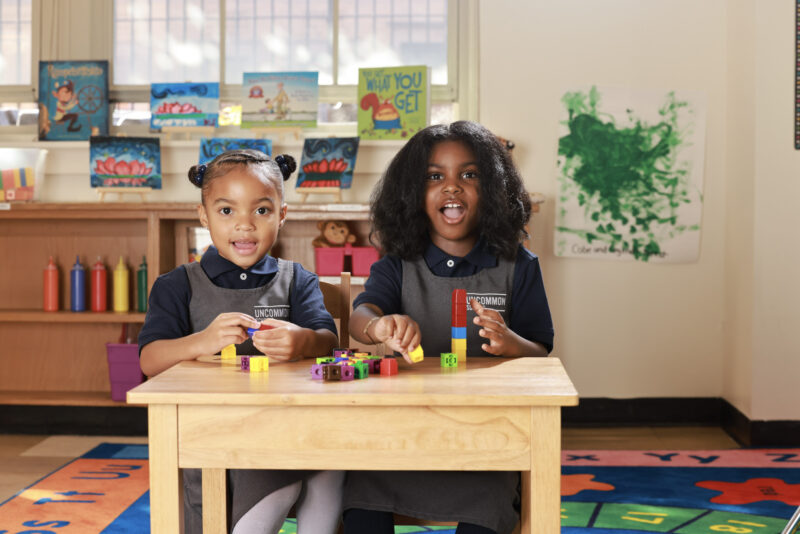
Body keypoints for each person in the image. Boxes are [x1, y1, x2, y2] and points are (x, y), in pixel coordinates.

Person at [343, 121, 554, 534]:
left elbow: (541, 351)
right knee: (359, 495)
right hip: (401, 439)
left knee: (491, 506)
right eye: (435, 177)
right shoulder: (398, 264)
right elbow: (359, 318)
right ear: (412, 194)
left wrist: (513, 344)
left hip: (486, 443)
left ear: (492, 191)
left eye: (469, 175)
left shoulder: (519, 266)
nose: (452, 187)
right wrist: (379, 326)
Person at [138, 149, 343, 534]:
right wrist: (201, 341)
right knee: (274, 474)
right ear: (204, 216)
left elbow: (327, 339)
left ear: (282, 214)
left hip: (290, 427)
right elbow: (150, 359)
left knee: (331, 465)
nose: (245, 225)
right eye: (227, 211)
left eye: (261, 211)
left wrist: (301, 341)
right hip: (211, 435)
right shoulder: (176, 285)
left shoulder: (297, 279)